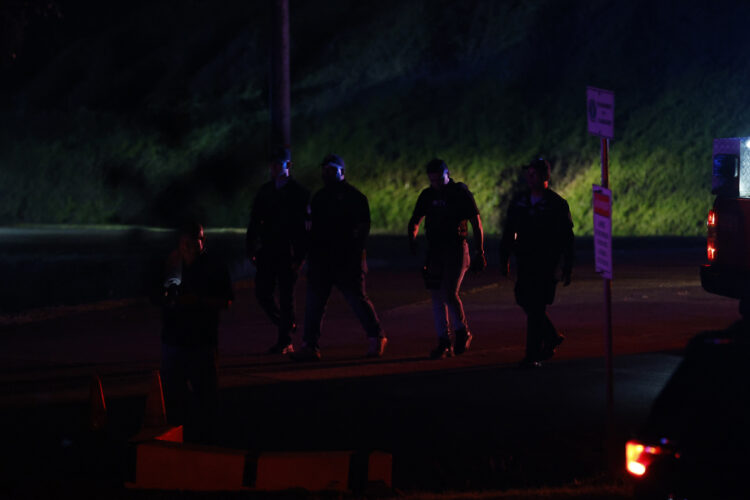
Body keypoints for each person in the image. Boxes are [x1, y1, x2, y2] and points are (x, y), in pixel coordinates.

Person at [292, 153, 387, 361]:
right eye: (324, 170)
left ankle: (376, 336)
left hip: (346, 259)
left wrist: (357, 255)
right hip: (321, 260)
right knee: (314, 304)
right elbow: (310, 229)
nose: (326, 173)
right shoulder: (319, 197)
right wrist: (304, 257)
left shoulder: (355, 197)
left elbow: (362, 230)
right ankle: (310, 345)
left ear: (341, 172)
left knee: (357, 300)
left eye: (331, 169)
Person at [158, 221, 234, 442]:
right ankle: (181, 439)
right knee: (174, 399)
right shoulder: (172, 263)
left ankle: (207, 441)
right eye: (186, 243)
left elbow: (226, 300)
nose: (190, 247)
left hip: (201, 341)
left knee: (206, 398)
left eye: (195, 242)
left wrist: (198, 301)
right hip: (174, 340)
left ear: (202, 241)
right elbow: (157, 294)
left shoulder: (214, 266)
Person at [499, 157, 574, 368]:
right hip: (525, 261)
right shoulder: (520, 201)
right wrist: (504, 257)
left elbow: (567, 237)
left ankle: (532, 353)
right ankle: (550, 336)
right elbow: (508, 231)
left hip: (547, 263)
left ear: (545, 177)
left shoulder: (557, 204)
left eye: (533, 174)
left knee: (536, 306)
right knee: (524, 299)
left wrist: (567, 265)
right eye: (528, 174)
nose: (529, 178)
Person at [408, 158, 486, 359]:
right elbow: (416, 219)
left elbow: (476, 222)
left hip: (456, 249)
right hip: (435, 251)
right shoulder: (427, 195)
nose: (435, 184)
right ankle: (443, 340)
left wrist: (480, 251)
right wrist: (412, 238)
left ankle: (462, 332)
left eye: (438, 179)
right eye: (432, 180)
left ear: (447, 174)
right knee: (436, 295)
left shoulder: (459, 193)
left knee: (449, 291)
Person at [246, 148, 310, 354]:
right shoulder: (265, 191)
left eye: (277, 165)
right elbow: (255, 220)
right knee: (263, 292)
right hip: (268, 249)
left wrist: (300, 255)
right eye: (272, 165)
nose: (273, 169)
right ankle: (287, 326)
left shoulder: (299, 193)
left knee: (286, 297)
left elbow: (304, 227)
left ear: (288, 166)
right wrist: (251, 246)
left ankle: (285, 339)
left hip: (287, 251)